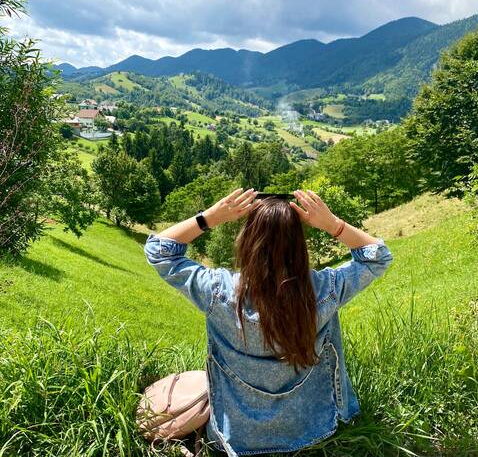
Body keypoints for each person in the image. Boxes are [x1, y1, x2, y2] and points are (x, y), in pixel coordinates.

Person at [144, 188, 393, 456]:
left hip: (234, 437)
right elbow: (377, 257)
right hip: (312, 428)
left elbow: (159, 250)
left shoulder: (218, 291)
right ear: (299, 244)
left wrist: (210, 218)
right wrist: (332, 224)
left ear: (247, 240)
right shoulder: (325, 290)